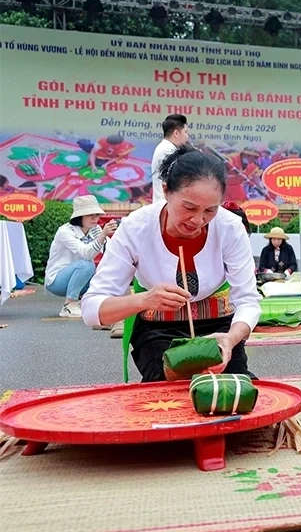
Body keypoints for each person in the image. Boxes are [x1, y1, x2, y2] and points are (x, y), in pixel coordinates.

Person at [81, 145, 260, 382]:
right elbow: (92, 309)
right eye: (189, 207)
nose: (198, 220)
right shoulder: (136, 228)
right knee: (165, 392)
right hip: (158, 329)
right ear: (166, 191)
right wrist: (145, 300)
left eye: (210, 210)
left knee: (235, 389)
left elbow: (248, 301)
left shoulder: (230, 227)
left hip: (218, 328)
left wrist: (231, 338)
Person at [44, 195, 117, 318]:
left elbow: (110, 252)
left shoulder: (95, 229)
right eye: (89, 214)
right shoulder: (65, 231)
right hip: (57, 281)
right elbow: (86, 254)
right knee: (87, 264)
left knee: (105, 271)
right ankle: (69, 305)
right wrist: (103, 235)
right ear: (79, 216)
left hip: (80, 277)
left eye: (96, 214)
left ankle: (85, 303)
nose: (95, 218)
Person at [150, 114, 189, 204]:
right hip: (166, 204)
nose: (187, 136)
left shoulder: (166, 147)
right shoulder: (168, 150)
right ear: (176, 133)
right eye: (185, 132)